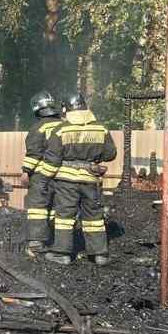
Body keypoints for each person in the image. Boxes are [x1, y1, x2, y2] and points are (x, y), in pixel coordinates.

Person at [42, 93, 116, 265]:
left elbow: (52, 159)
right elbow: (110, 154)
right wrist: (93, 159)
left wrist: (45, 179)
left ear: (65, 109)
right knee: (94, 217)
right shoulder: (101, 129)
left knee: (65, 217)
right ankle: (99, 254)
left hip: (66, 181)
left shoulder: (61, 130)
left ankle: (61, 253)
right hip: (91, 180)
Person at [21, 91, 62, 253]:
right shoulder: (65, 125)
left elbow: (34, 152)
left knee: (37, 207)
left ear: (37, 110)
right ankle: (56, 241)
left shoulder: (39, 127)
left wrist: (26, 171)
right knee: (56, 207)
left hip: (41, 175)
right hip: (64, 175)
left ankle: (36, 243)